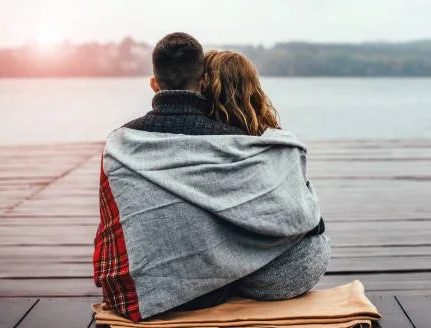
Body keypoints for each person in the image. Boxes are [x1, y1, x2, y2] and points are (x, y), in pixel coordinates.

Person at [93, 32, 330, 322]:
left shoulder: (118, 145)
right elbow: (301, 218)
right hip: (216, 287)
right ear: (203, 83)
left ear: (153, 85)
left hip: (139, 292)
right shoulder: (237, 142)